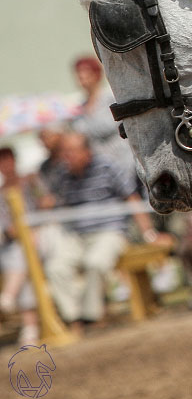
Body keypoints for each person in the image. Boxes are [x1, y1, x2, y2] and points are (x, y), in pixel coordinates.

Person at [43, 132, 167, 334]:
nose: (67, 156)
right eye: (65, 152)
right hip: (75, 235)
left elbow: (132, 199)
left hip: (109, 232)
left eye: (72, 151)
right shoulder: (61, 174)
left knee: (96, 263)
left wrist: (149, 234)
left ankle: (90, 317)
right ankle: (73, 318)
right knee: (55, 267)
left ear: (86, 151)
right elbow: (56, 204)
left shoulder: (108, 166)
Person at [0, 147, 49, 344]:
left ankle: (9, 299)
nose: (6, 165)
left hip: (42, 236)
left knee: (22, 256)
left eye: (8, 159)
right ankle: (28, 325)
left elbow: (48, 204)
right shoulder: (1, 193)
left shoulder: (32, 181)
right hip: (19, 245)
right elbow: (7, 229)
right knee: (23, 258)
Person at [70, 56, 138, 186]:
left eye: (85, 71)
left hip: (121, 161)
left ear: (96, 74)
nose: (81, 76)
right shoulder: (80, 107)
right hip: (98, 170)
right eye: (78, 73)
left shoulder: (110, 98)